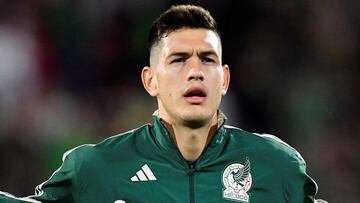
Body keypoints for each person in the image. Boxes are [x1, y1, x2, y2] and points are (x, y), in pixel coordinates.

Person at [0, 4, 325, 203]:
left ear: (224, 79)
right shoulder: (99, 169)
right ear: (150, 80)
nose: (195, 72)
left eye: (208, 60)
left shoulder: (276, 166)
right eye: (179, 60)